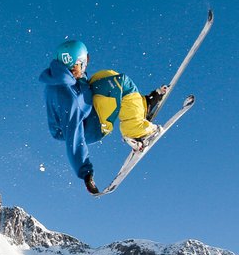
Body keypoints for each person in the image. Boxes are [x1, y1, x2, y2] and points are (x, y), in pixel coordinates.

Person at [40, 40, 167, 194]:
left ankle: (139, 108)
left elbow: (76, 90)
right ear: (76, 64)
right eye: (84, 62)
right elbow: (73, 135)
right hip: (92, 126)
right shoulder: (69, 98)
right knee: (121, 82)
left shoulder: (59, 76)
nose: (86, 66)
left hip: (87, 113)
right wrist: (85, 173)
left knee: (106, 76)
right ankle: (136, 130)